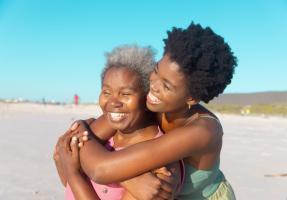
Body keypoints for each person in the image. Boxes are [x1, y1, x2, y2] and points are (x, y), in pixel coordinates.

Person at [57, 22, 237, 199]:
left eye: (166, 86)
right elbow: (78, 141)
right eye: (156, 71)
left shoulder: (203, 131)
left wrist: (118, 172)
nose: (154, 86)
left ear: (191, 98)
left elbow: (100, 169)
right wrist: (80, 127)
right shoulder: (153, 102)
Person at [54, 45, 184, 200]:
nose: (113, 102)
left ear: (147, 98)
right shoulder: (102, 133)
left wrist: (73, 172)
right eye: (106, 92)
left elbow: (70, 165)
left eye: (125, 93)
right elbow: (65, 173)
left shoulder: (159, 164)